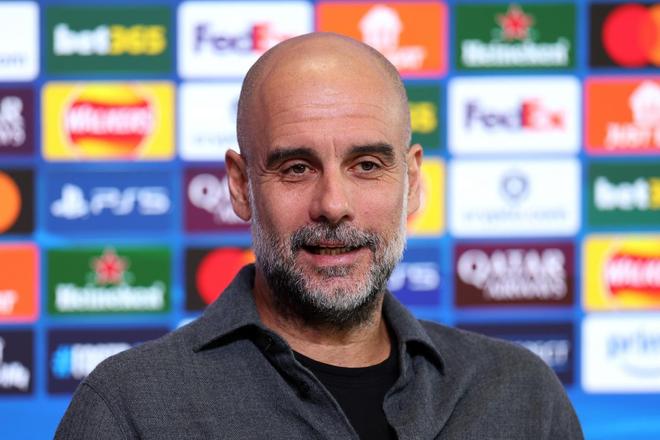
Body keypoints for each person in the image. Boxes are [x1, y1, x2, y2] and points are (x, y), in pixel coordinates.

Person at [56, 33, 583, 439]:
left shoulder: (521, 396)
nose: (333, 204)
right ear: (240, 186)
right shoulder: (130, 409)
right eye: (296, 168)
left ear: (412, 182)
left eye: (367, 165)